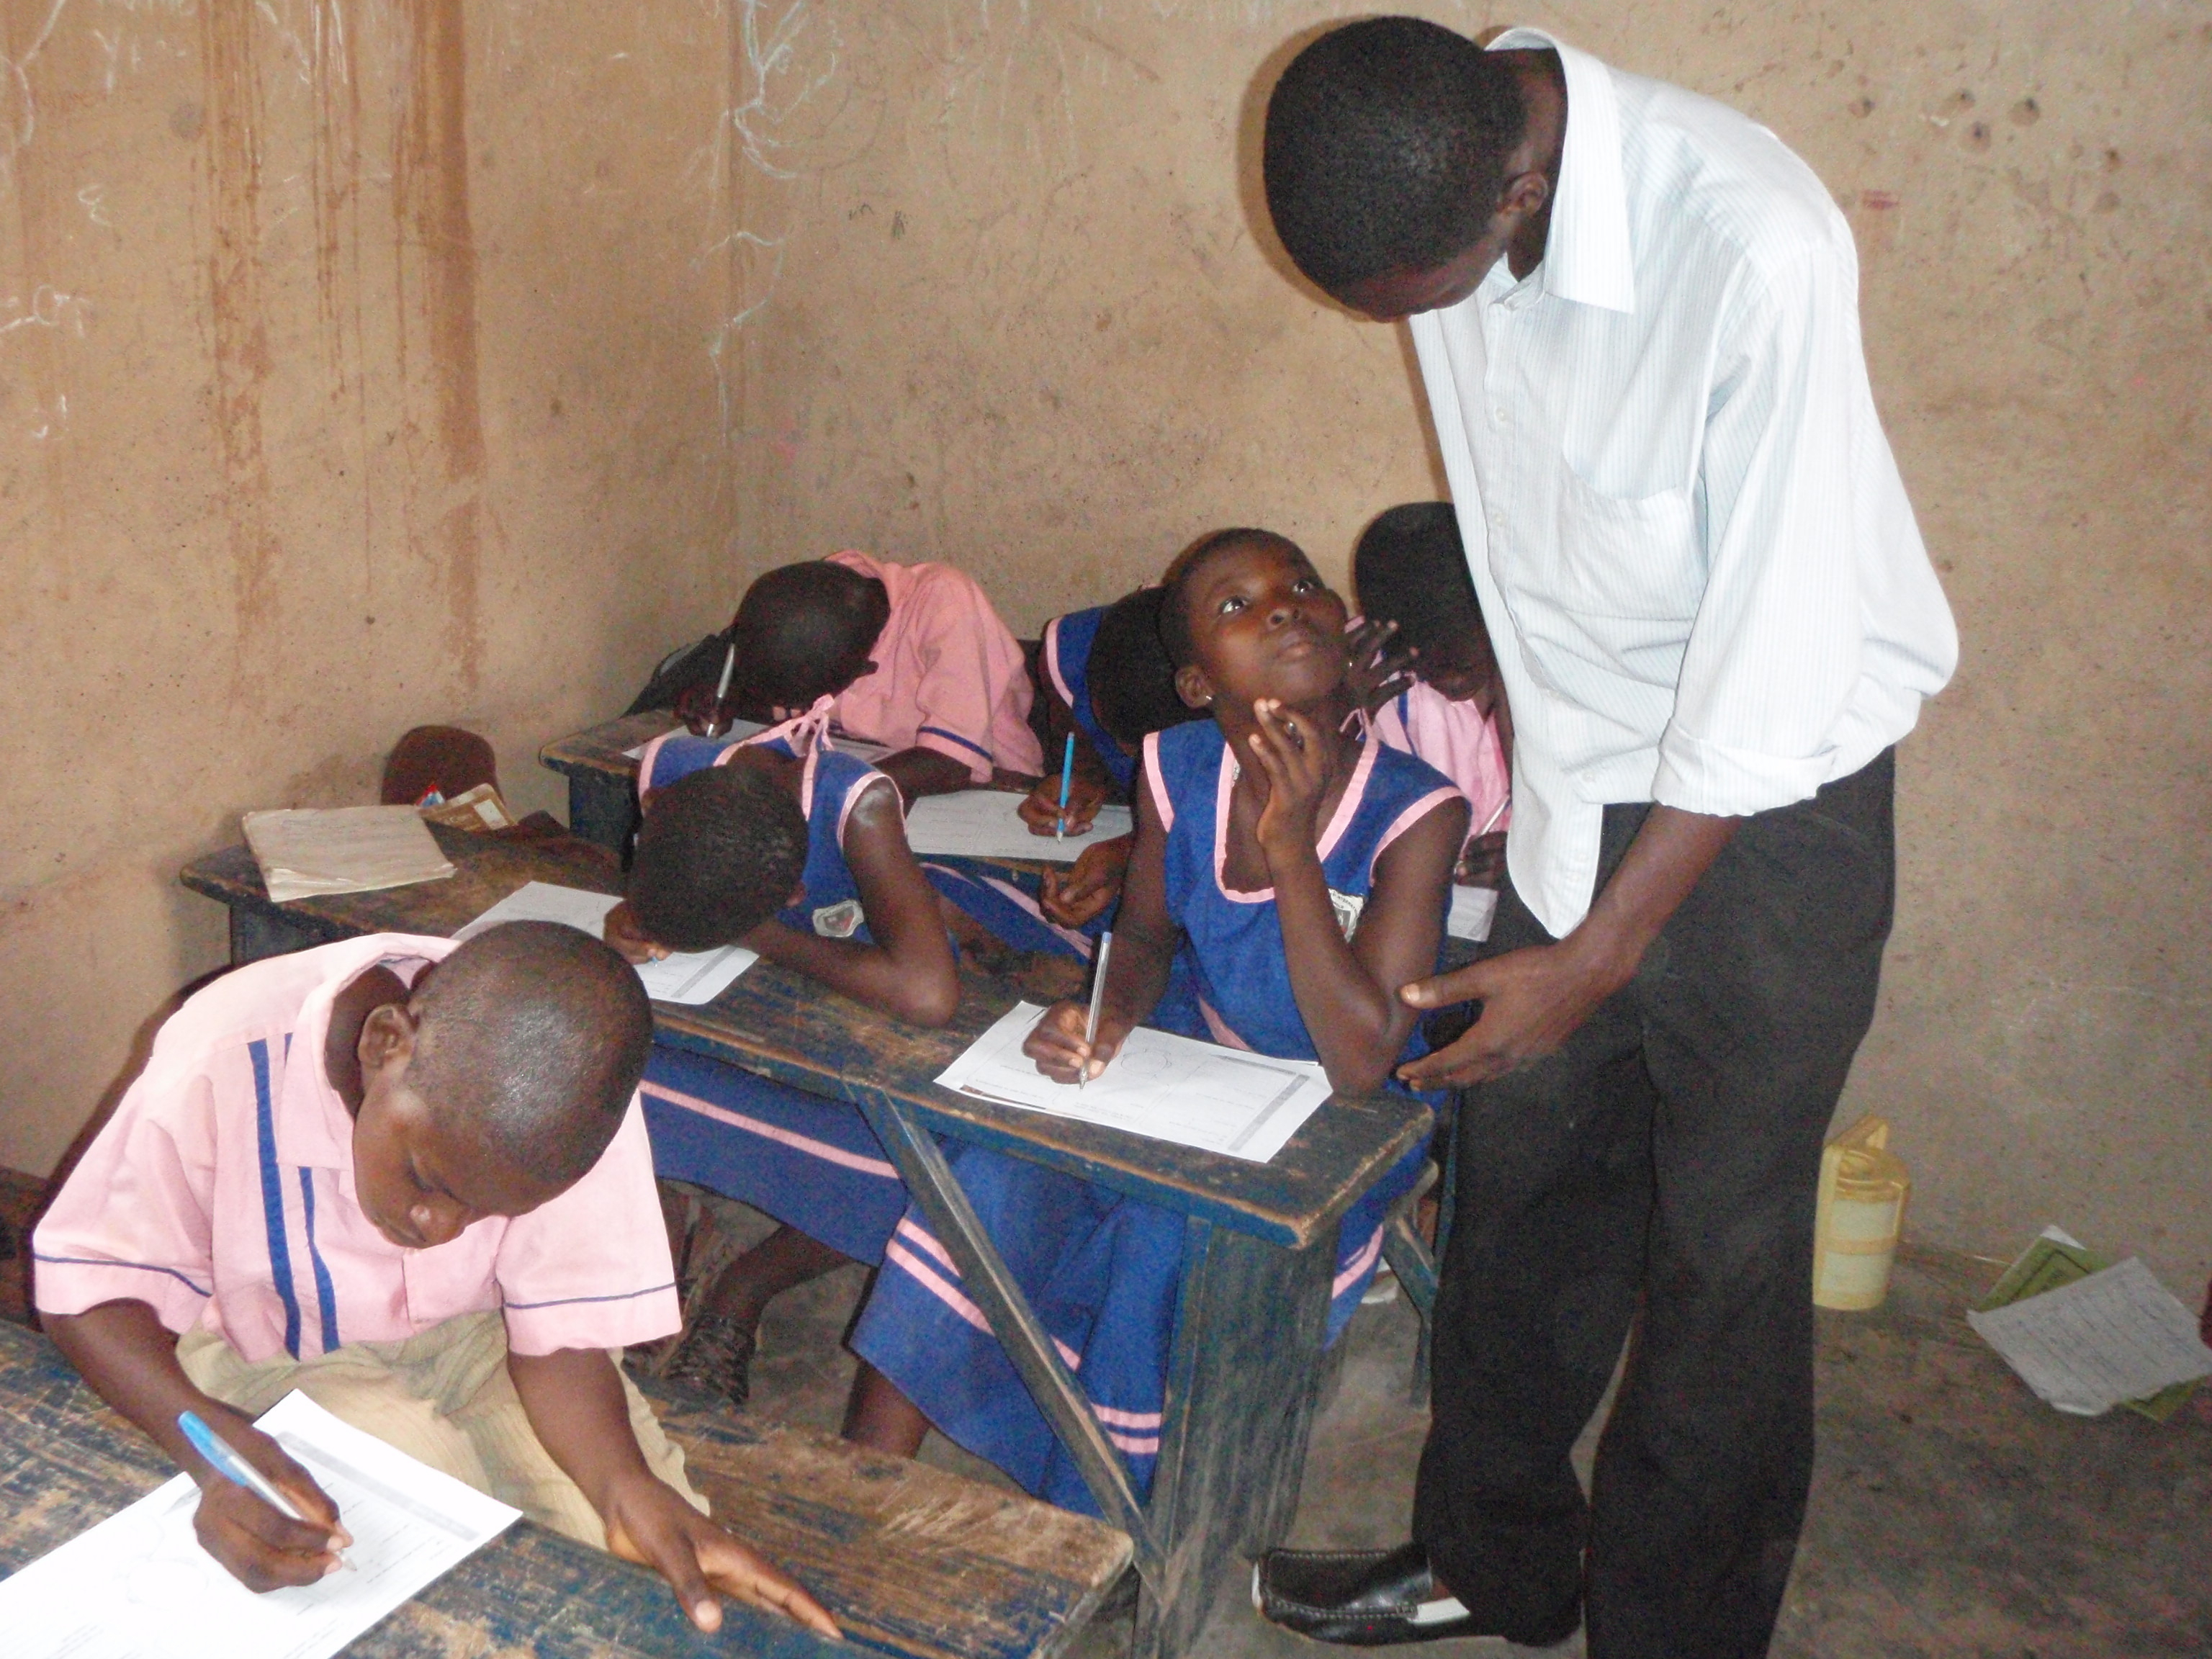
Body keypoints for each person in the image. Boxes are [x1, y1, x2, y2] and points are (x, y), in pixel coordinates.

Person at [1254, 19, 1957, 1655]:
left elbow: (1768, 658)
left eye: (1411, 300)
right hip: (1581, 774)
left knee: (1721, 1253)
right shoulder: (1431, 174)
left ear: (1518, 191)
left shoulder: (1750, 250)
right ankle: (1490, 1562)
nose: (1409, 329)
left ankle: (1673, 1630)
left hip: (1774, 806)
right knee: (1519, 1185)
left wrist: (1596, 952)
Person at [835, 529, 1467, 1515]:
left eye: (1302, 585)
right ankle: (856, 1496)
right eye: (1237, 605)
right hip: (1196, 1044)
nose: (1284, 606)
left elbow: (1358, 1061)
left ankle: (1108, 1523)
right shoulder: (1179, 765)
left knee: (1170, 1240)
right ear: (1195, 684)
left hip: (1344, 1114)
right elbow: (1139, 937)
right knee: (995, 1172)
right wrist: (1106, 1016)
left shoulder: (1416, 812)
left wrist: (1290, 849)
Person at [30, 924, 837, 1638]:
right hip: (270, 1346)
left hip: (491, 1339)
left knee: (642, 1562)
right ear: (387, 1043)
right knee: (407, 1569)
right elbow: (89, 1288)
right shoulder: (225, 1053)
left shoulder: (570, 1100)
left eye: (485, 1211)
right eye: (426, 1179)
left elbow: (556, 1338)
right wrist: (209, 1450)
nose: (439, 1229)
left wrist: (626, 1486)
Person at [606, 711, 958, 1409]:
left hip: (853, 1029)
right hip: (739, 1021)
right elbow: (639, 890)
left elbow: (929, 994)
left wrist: (760, 936)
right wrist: (630, 917)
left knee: (920, 1186)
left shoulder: (856, 805)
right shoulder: (669, 777)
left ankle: (744, 1285)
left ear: (792, 894)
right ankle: (665, 1239)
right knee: (602, 1073)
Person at [672, 552, 1043, 803]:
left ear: (865, 671)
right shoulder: (816, 600)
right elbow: (783, 701)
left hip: (989, 793)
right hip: (863, 772)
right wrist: (730, 700)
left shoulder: (945, 603)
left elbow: (951, 764)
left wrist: (811, 787)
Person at [1353, 503, 1514, 889]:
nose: (1450, 679)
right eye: (1422, 661)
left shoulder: (1550, 672)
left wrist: (1534, 861)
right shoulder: (1361, 679)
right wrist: (1341, 721)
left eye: (1463, 659)